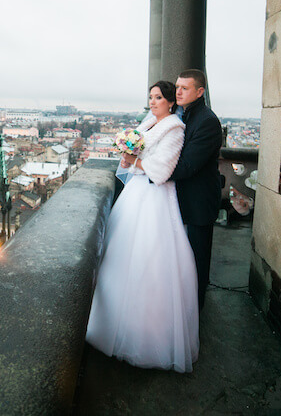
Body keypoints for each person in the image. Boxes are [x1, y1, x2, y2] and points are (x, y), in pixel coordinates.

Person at [86, 81, 199, 372]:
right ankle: (109, 325)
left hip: (156, 199)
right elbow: (134, 162)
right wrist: (128, 156)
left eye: (158, 97)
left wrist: (134, 160)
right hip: (136, 194)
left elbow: (163, 170)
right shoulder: (149, 123)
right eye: (150, 97)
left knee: (150, 262)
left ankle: (145, 336)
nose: (152, 101)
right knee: (120, 258)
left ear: (171, 102)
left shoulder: (175, 128)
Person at [168, 69, 224, 311]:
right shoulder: (184, 114)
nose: (178, 91)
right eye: (177, 86)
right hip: (182, 200)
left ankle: (195, 312)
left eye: (185, 88)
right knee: (182, 258)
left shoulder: (207, 121)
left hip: (199, 203)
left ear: (200, 92)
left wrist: (148, 167)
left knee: (197, 260)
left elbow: (188, 166)